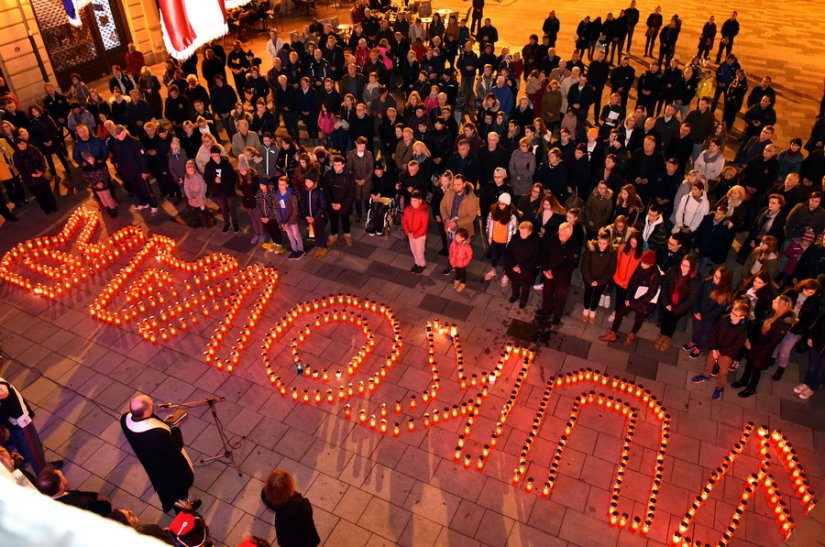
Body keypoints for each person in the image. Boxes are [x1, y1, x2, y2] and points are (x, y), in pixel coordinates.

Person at [120, 395, 196, 513]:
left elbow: (149, 424)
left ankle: (171, 505)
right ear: (146, 411)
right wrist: (175, 428)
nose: (153, 406)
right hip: (169, 468)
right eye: (151, 405)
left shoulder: (125, 418)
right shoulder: (158, 435)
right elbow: (175, 447)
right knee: (178, 490)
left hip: (152, 464)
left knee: (165, 489)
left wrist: (163, 423)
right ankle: (183, 511)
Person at [732, 295, 796, 398]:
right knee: (749, 364)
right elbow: (758, 325)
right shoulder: (771, 311)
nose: (773, 300)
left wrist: (752, 344)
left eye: (776, 301)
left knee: (756, 369)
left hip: (762, 350)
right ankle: (744, 380)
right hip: (754, 344)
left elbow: (771, 342)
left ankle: (751, 388)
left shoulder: (783, 323)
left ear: (780, 306)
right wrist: (749, 339)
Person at [599, 249, 661, 345]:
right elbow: (631, 282)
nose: (641, 264)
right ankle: (613, 333)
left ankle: (632, 335)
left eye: (644, 263)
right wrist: (627, 298)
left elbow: (650, 294)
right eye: (642, 262)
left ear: (651, 264)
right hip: (632, 298)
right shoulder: (640, 267)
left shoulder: (655, 276)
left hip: (643, 303)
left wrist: (632, 303)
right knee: (619, 312)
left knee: (639, 319)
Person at [691, 302, 750, 399]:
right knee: (709, 362)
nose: (732, 315)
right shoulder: (724, 319)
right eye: (732, 312)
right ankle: (705, 374)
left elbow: (735, 346)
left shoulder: (742, 331)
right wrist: (714, 348)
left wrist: (720, 352)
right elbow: (714, 332)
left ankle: (719, 387)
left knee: (723, 372)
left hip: (727, 354)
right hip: (715, 348)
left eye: (736, 315)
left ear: (742, 317)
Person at [0, 378, 58, 476]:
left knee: (19, 441)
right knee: (33, 449)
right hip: (20, 421)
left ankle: (24, 458)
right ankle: (44, 474)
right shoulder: (2, 390)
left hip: (13, 422)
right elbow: (3, 414)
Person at [772, 279, 821, 380]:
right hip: (783, 323)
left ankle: (781, 367)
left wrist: (800, 326)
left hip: (796, 329)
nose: (807, 293)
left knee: (785, 349)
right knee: (775, 341)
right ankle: (772, 358)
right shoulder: (792, 292)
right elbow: (780, 302)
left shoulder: (814, 301)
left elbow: (810, 319)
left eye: (811, 292)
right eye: (806, 290)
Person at [683, 265, 734, 359]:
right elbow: (697, 296)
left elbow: (717, 310)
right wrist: (695, 311)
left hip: (709, 319)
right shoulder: (706, 282)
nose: (715, 278)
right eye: (715, 275)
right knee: (696, 329)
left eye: (719, 277)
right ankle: (694, 341)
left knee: (705, 334)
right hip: (698, 313)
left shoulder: (725, 293)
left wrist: (703, 316)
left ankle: (700, 347)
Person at [261, 469, 321, 547]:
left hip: (284, 529)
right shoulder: (299, 504)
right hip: (302, 534)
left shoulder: (265, 496)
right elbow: (308, 513)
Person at [656, 255, 700, 351]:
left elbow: (690, 299)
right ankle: (662, 334)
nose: (683, 268)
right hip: (667, 303)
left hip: (679, 308)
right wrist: (666, 303)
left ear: (691, 267)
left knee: (672, 322)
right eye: (682, 264)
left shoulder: (695, 280)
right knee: (664, 319)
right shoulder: (674, 270)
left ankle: (667, 337)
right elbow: (665, 285)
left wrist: (676, 309)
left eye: (687, 266)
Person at [539, 223, 581, 323]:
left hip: (562, 278)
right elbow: (545, 253)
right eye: (559, 233)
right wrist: (544, 269)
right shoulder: (554, 238)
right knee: (547, 293)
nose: (559, 236)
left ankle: (557, 314)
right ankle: (546, 310)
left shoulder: (574, 245)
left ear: (569, 234)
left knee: (560, 296)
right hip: (548, 273)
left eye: (562, 235)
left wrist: (553, 272)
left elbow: (571, 265)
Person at [35, 466, 112, 517]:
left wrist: (95, 495)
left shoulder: (53, 496)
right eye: (62, 476)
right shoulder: (81, 502)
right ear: (61, 486)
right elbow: (98, 510)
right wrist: (105, 503)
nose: (64, 476)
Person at [12, 135, 57, 214]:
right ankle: (46, 209)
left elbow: (42, 160)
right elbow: (20, 168)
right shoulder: (16, 155)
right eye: (20, 144)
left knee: (48, 192)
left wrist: (41, 171)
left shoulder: (34, 149)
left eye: (24, 143)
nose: (23, 145)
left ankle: (53, 206)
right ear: (17, 145)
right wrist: (31, 174)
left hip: (42, 176)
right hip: (31, 179)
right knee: (39, 195)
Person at [581, 230, 617, 323]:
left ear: (608, 243)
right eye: (600, 242)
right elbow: (585, 265)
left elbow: (611, 270)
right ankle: (586, 309)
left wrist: (600, 281)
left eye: (604, 243)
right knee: (588, 293)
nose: (601, 245)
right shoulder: (591, 248)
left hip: (602, 280)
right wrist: (589, 279)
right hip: (589, 278)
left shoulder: (612, 252)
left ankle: (593, 310)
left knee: (597, 295)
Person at [203, 144, 240, 232]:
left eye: (216, 155)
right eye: (213, 156)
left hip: (228, 190)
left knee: (231, 208)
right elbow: (206, 179)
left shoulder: (226, 164)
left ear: (220, 155)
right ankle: (226, 223)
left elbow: (233, 178)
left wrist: (222, 180)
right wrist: (214, 181)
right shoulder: (208, 166)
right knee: (223, 209)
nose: (215, 158)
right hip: (218, 192)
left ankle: (235, 223)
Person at [504, 221, 541, 309]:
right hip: (514, 268)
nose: (521, 234)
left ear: (530, 232)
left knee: (525, 287)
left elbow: (535, 259)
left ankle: (523, 300)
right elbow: (508, 253)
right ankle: (515, 296)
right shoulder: (514, 239)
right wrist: (513, 266)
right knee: (514, 283)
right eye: (520, 231)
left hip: (527, 271)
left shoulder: (535, 243)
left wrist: (522, 268)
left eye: (524, 233)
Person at [484, 193, 518, 284]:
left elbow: (514, 231)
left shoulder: (512, 217)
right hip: (494, 240)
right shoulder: (493, 212)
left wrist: (511, 244)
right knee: (494, 257)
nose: (500, 205)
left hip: (506, 243)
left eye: (503, 204)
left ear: (507, 205)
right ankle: (493, 270)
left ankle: (507, 274)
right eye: (499, 203)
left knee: (505, 260)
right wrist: (489, 238)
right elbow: (488, 226)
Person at [323, 155, 355, 247]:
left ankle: (347, 234)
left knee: (345, 220)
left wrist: (342, 204)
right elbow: (326, 189)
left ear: (343, 165)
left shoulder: (349, 176)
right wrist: (331, 202)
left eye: (338, 165)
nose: (336, 167)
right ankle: (334, 233)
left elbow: (351, 193)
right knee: (333, 219)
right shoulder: (329, 174)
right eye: (335, 165)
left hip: (344, 204)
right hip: (332, 203)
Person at [794, 313, 825, 400]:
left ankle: (812, 388)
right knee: (812, 366)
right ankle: (807, 383)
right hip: (817, 344)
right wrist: (811, 337)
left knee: (821, 372)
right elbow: (818, 324)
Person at [273, 175, 305, 260]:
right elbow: (275, 209)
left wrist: (289, 222)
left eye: (283, 184)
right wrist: (280, 222)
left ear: (287, 185)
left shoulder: (291, 195)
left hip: (292, 220)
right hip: (283, 220)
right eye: (279, 184)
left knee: (296, 234)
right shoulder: (276, 195)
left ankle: (301, 250)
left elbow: (295, 210)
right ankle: (294, 250)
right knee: (290, 236)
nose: (280, 186)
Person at [301, 173, 329, 259]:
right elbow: (302, 204)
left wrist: (315, 217)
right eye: (306, 182)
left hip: (318, 217)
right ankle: (318, 245)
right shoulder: (304, 191)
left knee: (320, 231)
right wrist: (306, 216)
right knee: (314, 232)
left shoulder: (319, 192)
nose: (307, 183)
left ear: (314, 182)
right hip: (309, 218)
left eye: (309, 182)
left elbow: (323, 206)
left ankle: (324, 247)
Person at [402, 190, 429, 273]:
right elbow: (404, 221)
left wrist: (415, 235)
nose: (413, 203)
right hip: (411, 235)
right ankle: (417, 263)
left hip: (419, 236)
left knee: (419, 251)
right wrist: (408, 233)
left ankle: (422, 264)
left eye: (415, 201)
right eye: (411, 200)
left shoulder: (424, 212)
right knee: (413, 250)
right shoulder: (407, 209)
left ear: (420, 201)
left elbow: (424, 227)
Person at [183, 160, 214, 227]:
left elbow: (203, 188)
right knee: (197, 209)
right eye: (188, 170)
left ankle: (210, 218)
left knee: (203, 208)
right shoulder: (186, 177)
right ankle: (203, 219)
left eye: (191, 170)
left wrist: (199, 198)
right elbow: (186, 188)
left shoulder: (199, 177)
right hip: (193, 197)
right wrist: (190, 197)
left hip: (200, 196)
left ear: (194, 169)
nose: (190, 172)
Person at [449, 228, 473, 293]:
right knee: (457, 271)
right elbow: (451, 250)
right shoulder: (454, 243)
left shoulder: (466, 246)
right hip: (455, 262)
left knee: (462, 274)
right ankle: (457, 280)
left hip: (462, 264)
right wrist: (451, 258)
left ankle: (463, 282)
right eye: (455, 236)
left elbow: (469, 256)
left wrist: (464, 262)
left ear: (463, 238)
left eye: (457, 237)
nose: (455, 238)